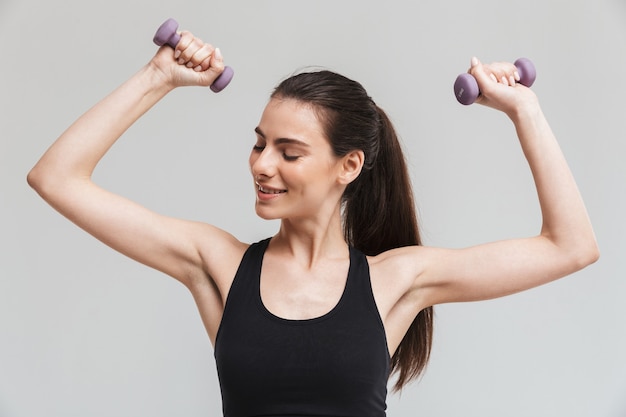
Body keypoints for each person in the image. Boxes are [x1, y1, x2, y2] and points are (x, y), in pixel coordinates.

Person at [28, 28, 599, 417]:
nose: (263, 165)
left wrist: (526, 109)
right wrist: (157, 76)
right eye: (258, 145)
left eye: (289, 152)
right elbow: (57, 177)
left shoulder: (394, 281)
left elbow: (570, 246)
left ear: (347, 166)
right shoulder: (218, 263)